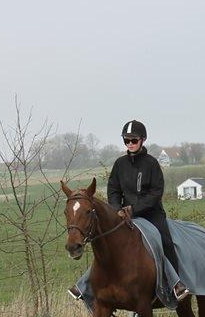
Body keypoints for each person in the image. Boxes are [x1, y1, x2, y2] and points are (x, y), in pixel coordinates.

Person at [69, 120, 190, 301]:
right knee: (106, 243)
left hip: (151, 214)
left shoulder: (152, 164)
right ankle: (85, 284)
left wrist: (134, 209)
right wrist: (117, 209)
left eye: (134, 140)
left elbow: (156, 193)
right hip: (124, 214)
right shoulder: (119, 164)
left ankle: (175, 283)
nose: (130, 144)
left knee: (164, 240)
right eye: (127, 141)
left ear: (143, 140)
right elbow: (113, 190)